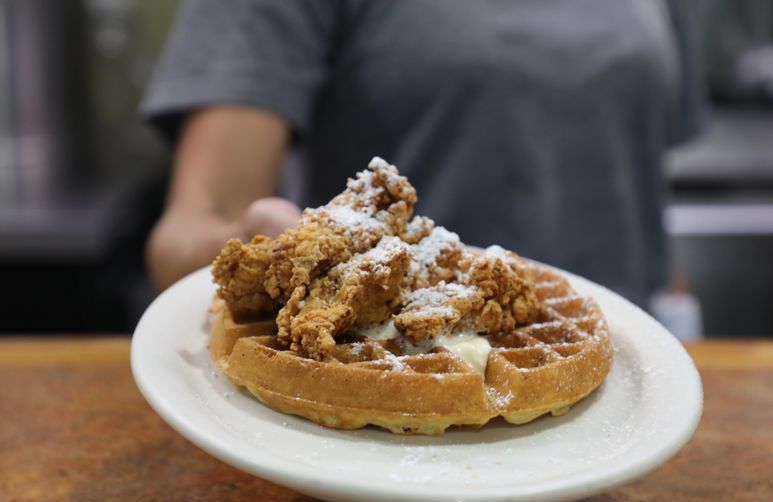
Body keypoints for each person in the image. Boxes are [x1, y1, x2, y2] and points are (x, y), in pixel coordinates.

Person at [142, 0, 703, 308]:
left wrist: (679, 324)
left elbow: (644, 182)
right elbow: (187, 233)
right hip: (379, 392)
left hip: (617, 397)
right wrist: (265, 251)